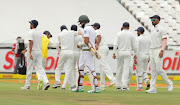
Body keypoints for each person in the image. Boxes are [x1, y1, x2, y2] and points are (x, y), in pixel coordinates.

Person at [72, 15, 100, 93]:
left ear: (83, 22)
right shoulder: (91, 29)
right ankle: (79, 87)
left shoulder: (86, 29)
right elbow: (95, 40)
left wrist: (79, 44)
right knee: (80, 67)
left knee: (90, 68)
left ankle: (96, 88)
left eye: (81, 22)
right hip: (85, 51)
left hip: (87, 50)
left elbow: (86, 41)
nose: (80, 24)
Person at [146, 15, 173, 93]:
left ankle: (169, 83)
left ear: (158, 20)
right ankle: (153, 88)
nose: (152, 21)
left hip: (158, 49)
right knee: (153, 70)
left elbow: (164, 40)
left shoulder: (161, 29)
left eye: (153, 19)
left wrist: (162, 50)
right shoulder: (152, 29)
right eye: (151, 20)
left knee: (159, 69)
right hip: (152, 50)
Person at [21, 20, 50, 90]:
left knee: (29, 68)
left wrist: (30, 52)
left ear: (32, 25)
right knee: (40, 68)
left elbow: (31, 42)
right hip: (39, 52)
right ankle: (46, 82)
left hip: (33, 51)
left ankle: (27, 85)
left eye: (30, 24)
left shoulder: (30, 32)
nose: (29, 25)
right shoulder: (40, 33)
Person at [113, 22, 136, 91]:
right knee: (126, 69)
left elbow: (115, 44)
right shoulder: (131, 34)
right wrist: (135, 54)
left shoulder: (119, 34)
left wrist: (114, 52)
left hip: (120, 51)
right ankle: (124, 86)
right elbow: (134, 46)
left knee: (119, 68)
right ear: (128, 27)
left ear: (122, 27)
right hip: (128, 52)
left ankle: (118, 85)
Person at [93, 23, 115, 91]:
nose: (92, 28)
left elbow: (99, 36)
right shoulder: (97, 31)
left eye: (93, 26)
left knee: (104, 64)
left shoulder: (97, 31)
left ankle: (112, 79)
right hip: (103, 48)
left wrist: (97, 45)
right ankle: (102, 86)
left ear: (96, 27)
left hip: (101, 48)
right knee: (102, 66)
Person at [53, 25, 74, 90]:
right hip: (71, 52)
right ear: (66, 28)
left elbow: (60, 44)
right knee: (68, 69)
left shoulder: (60, 35)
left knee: (58, 68)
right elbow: (78, 33)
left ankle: (58, 81)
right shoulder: (71, 33)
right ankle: (64, 85)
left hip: (63, 51)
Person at [134, 27, 150, 91]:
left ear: (139, 31)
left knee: (139, 71)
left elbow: (137, 48)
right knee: (144, 71)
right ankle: (147, 81)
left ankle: (140, 86)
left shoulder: (138, 39)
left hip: (140, 55)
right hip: (147, 55)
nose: (137, 32)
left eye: (137, 31)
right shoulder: (148, 39)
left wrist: (135, 56)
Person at [68, 25, 83, 90]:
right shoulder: (80, 37)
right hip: (78, 52)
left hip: (71, 52)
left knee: (71, 69)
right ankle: (76, 84)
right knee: (76, 69)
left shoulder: (69, 36)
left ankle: (72, 85)